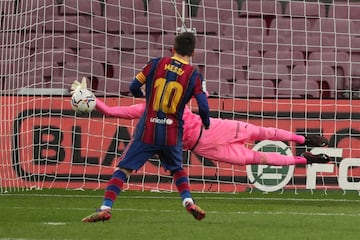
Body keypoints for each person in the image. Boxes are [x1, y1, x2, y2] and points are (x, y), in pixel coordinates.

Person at [78, 32, 210, 222]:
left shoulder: (154, 63)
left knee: (123, 169)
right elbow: (203, 106)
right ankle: (188, 201)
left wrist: (147, 101)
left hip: (148, 128)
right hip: (171, 132)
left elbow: (133, 86)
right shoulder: (195, 76)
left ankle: (106, 207)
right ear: (194, 53)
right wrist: (205, 122)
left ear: (172, 49)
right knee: (177, 169)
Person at [92, 98, 330, 166]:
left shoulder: (177, 97)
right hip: (205, 147)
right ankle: (304, 159)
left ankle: (303, 138)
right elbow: (114, 112)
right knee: (257, 158)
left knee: (260, 132)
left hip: (215, 128)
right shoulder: (145, 108)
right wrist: (94, 102)